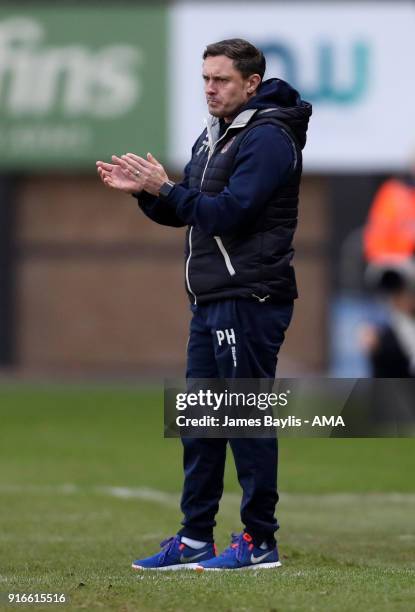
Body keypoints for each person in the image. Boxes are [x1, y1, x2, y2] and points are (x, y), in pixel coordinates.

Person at [97, 38, 311, 571]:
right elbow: (185, 209)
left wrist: (166, 188)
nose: (210, 89)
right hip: (212, 299)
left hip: (250, 297)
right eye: (205, 79)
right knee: (200, 422)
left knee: (245, 419)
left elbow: (229, 213)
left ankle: (260, 541)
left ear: (251, 84)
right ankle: (195, 538)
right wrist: (146, 194)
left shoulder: (268, 137)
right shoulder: (214, 134)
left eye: (221, 80)